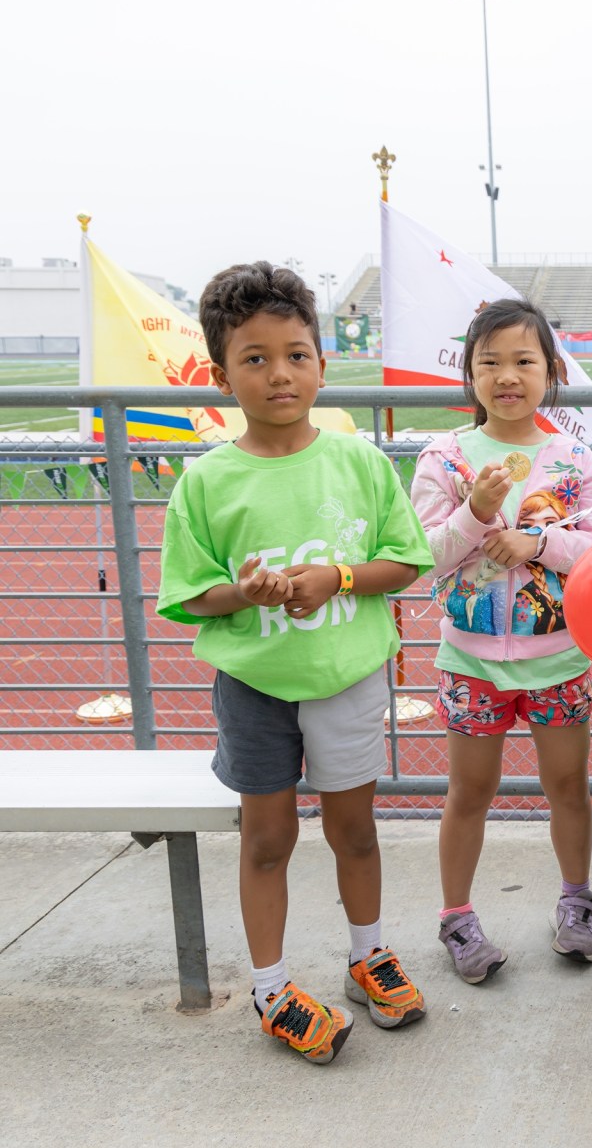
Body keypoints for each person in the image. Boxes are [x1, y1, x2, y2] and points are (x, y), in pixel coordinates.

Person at [157, 261, 433, 1063]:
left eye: (296, 354)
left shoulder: (360, 464)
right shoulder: (206, 481)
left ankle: (367, 954)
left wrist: (336, 578)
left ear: (321, 361)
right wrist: (242, 594)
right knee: (267, 840)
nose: (279, 373)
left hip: (346, 676)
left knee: (355, 831)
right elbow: (190, 594)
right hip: (252, 686)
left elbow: (404, 561)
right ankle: (272, 988)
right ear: (220, 375)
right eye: (254, 357)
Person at [411, 299, 592, 981]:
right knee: (470, 791)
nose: (507, 375)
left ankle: (576, 902)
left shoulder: (574, 457)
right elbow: (428, 554)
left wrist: (539, 541)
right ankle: (457, 917)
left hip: (560, 659)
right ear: (468, 374)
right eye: (489, 362)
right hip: (471, 663)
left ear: (550, 371)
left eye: (523, 361)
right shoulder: (445, 457)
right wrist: (475, 514)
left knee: (569, 786)